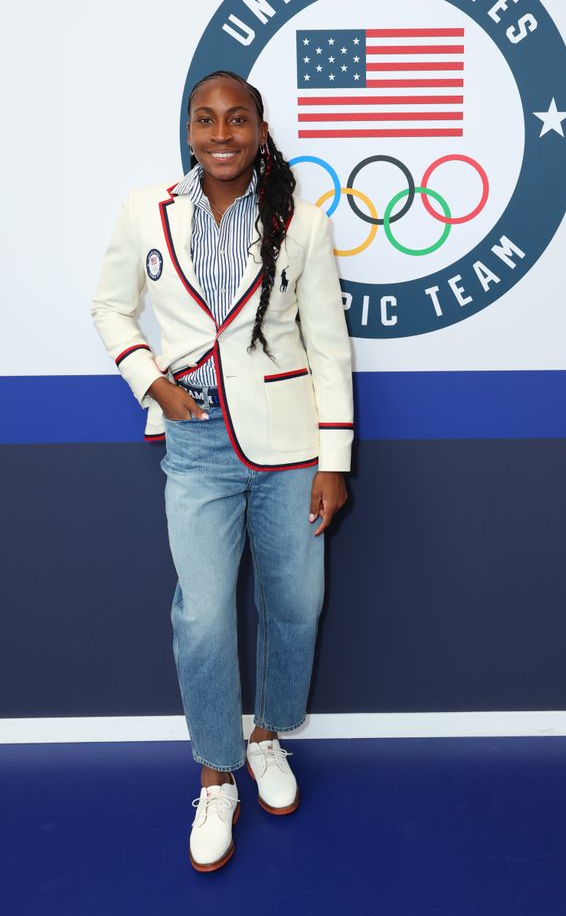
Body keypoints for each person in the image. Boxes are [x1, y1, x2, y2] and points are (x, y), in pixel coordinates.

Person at [91, 70, 354, 873]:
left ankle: (266, 734)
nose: (221, 133)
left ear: (260, 128)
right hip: (196, 442)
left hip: (288, 443)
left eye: (237, 119)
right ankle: (216, 773)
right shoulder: (146, 210)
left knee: (296, 604)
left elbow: (329, 347)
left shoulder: (299, 221)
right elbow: (109, 305)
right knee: (202, 617)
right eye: (205, 119)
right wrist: (151, 380)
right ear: (188, 130)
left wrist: (334, 459)